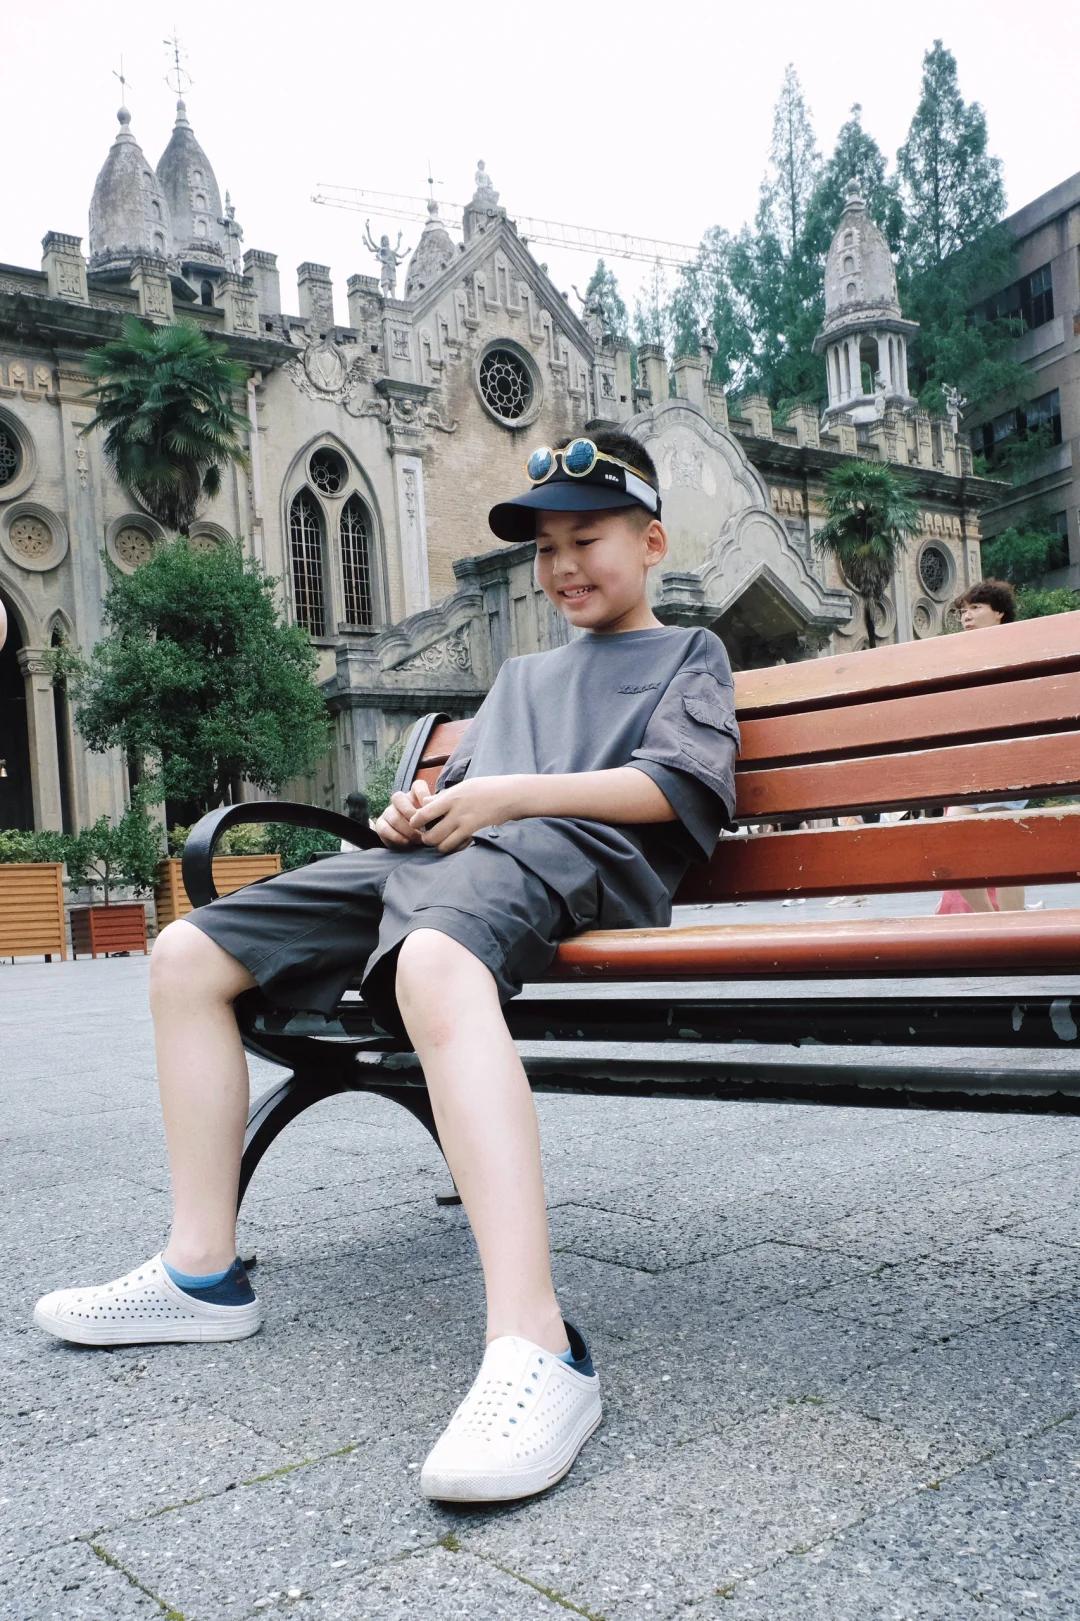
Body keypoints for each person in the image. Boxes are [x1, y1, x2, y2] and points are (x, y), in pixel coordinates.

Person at [32, 429, 739, 1504]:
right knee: (184, 952)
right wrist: (418, 808)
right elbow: (461, 803)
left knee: (433, 963)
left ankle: (538, 1341)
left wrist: (506, 797)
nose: (562, 566)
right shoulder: (521, 676)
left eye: (586, 538)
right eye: (545, 549)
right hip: (447, 863)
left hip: (564, 862)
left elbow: (675, 790)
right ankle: (200, 1270)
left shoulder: (690, 656)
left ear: (651, 542)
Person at [937, 579, 1026, 916]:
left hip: (1007, 760)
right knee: (952, 844)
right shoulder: (962, 657)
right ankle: (992, 923)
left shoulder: (1020, 647)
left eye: (976, 608)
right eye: (963, 611)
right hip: (972, 765)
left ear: (999, 612)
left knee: (1001, 845)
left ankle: (1015, 929)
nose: (966, 616)